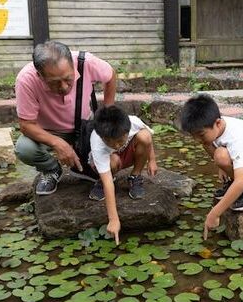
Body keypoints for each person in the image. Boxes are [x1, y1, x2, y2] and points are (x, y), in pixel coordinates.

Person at [14, 40, 116, 195]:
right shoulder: (26, 80)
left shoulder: (86, 62)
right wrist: (57, 143)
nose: (63, 87)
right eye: (54, 83)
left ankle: (85, 166)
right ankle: (52, 169)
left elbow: (110, 75)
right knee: (24, 149)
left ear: (74, 66)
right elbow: (26, 125)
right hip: (48, 131)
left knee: (111, 158)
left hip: (84, 126)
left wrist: (108, 111)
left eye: (68, 79)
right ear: (39, 75)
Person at [180, 95, 243, 240]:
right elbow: (215, 145)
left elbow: (240, 181)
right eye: (193, 136)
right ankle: (237, 184)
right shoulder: (216, 129)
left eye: (201, 134)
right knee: (213, 148)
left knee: (221, 156)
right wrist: (223, 167)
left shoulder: (237, 137)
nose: (197, 139)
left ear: (218, 123)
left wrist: (215, 214)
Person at [87, 105, 157, 245]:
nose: (117, 145)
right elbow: (109, 184)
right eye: (110, 142)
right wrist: (113, 219)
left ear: (127, 130)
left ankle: (135, 176)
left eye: (120, 141)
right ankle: (100, 180)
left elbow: (148, 140)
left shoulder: (133, 122)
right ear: (102, 137)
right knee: (112, 162)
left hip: (127, 156)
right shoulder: (97, 141)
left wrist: (152, 160)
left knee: (144, 136)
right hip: (108, 162)